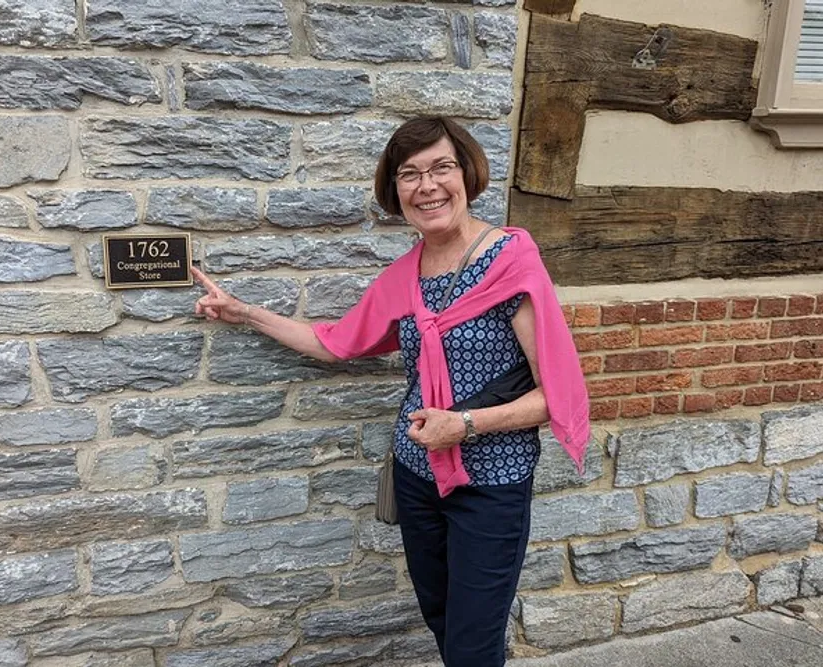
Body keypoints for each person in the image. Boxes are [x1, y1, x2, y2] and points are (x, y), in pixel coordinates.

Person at [192, 116, 589, 667]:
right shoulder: (403, 277)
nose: (427, 186)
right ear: (395, 190)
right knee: (443, 620)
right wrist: (244, 312)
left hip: (490, 484)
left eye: (441, 168)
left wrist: (467, 424)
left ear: (467, 173)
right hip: (417, 475)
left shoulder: (512, 261)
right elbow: (335, 344)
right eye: (409, 174)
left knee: (473, 643)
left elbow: (558, 395)